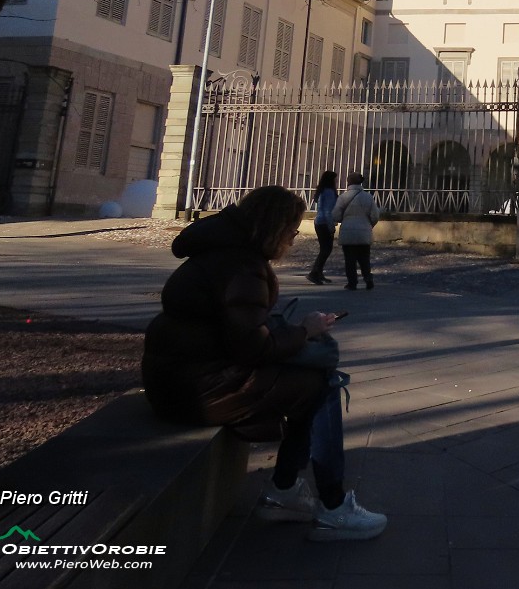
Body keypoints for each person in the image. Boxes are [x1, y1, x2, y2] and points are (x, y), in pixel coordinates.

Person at [141, 186, 387, 540]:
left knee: (312, 381)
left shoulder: (225, 251)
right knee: (322, 384)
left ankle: (285, 492)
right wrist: (304, 331)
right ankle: (331, 506)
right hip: (198, 387)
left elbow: (235, 330)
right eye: (290, 228)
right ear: (273, 226)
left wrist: (293, 332)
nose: (293, 236)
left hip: (181, 377)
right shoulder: (242, 266)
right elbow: (251, 348)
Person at [332, 171, 379, 290]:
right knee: (364, 258)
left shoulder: (343, 197)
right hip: (364, 231)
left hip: (348, 232)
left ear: (349, 182)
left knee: (350, 259)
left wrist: (344, 219)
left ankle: (352, 282)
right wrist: (369, 225)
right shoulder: (368, 197)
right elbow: (375, 215)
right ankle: (368, 278)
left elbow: (336, 216)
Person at [306, 170, 337, 285]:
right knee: (326, 250)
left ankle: (318, 273)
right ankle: (314, 273)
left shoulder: (322, 190)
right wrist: (331, 226)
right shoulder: (329, 192)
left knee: (324, 249)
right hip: (324, 223)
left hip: (319, 222)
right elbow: (328, 211)